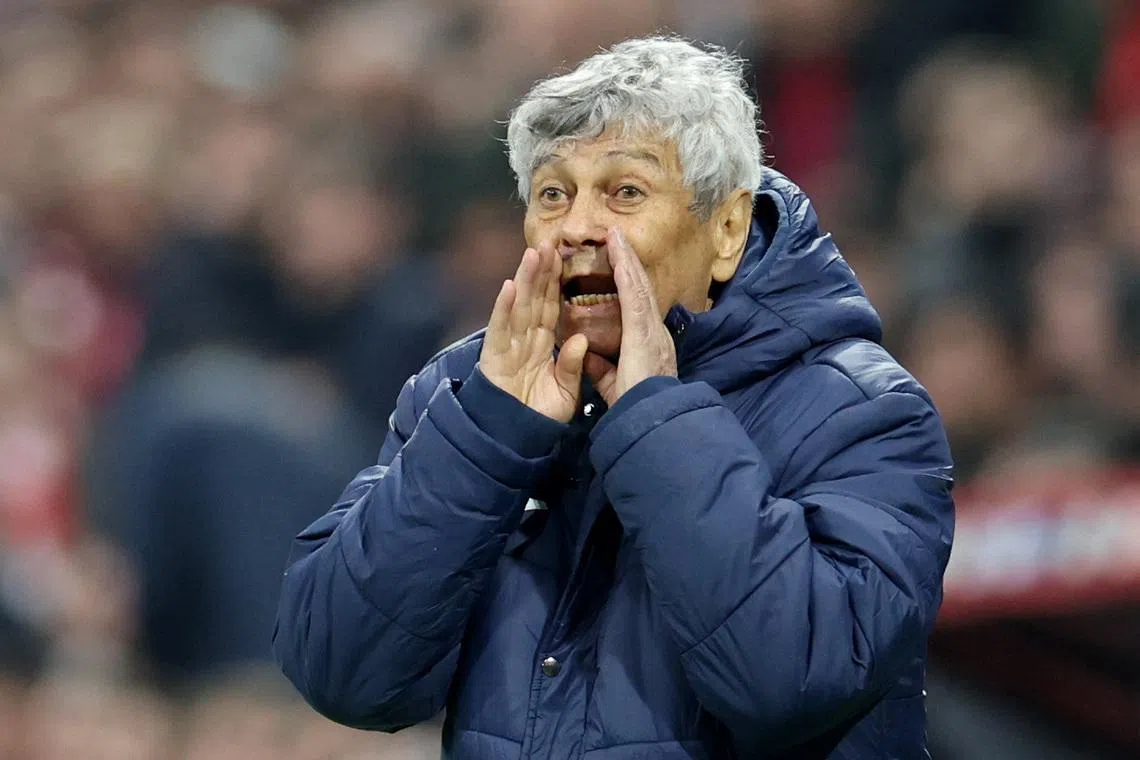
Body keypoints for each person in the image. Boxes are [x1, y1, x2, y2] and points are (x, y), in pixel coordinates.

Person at [273, 36, 955, 759]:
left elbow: (791, 679)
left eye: (626, 192)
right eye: (553, 194)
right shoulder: (468, 396)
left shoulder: (866, 414)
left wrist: (654, 420)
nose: (577, 228)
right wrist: (488, 436)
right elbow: (342, 673)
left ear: (725, 229)